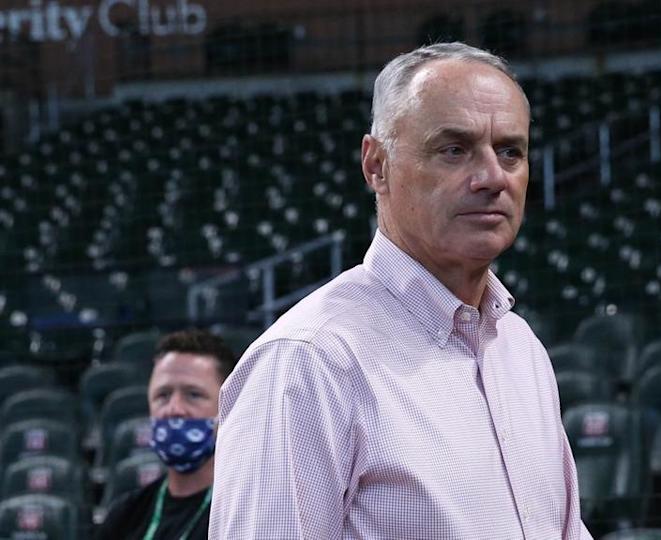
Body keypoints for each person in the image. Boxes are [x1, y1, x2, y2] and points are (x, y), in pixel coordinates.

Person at [210, 42, 592, 539]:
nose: (493, 177)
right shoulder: (308, 362)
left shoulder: (522, 351)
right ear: (376, 166)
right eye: (454, 149)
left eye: (510, 151)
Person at [98, 329, 236, 540]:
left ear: (228, 406)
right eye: (163, 395)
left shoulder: (245, 509)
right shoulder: (125, 515)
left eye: (193, 394)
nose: (174, 409)